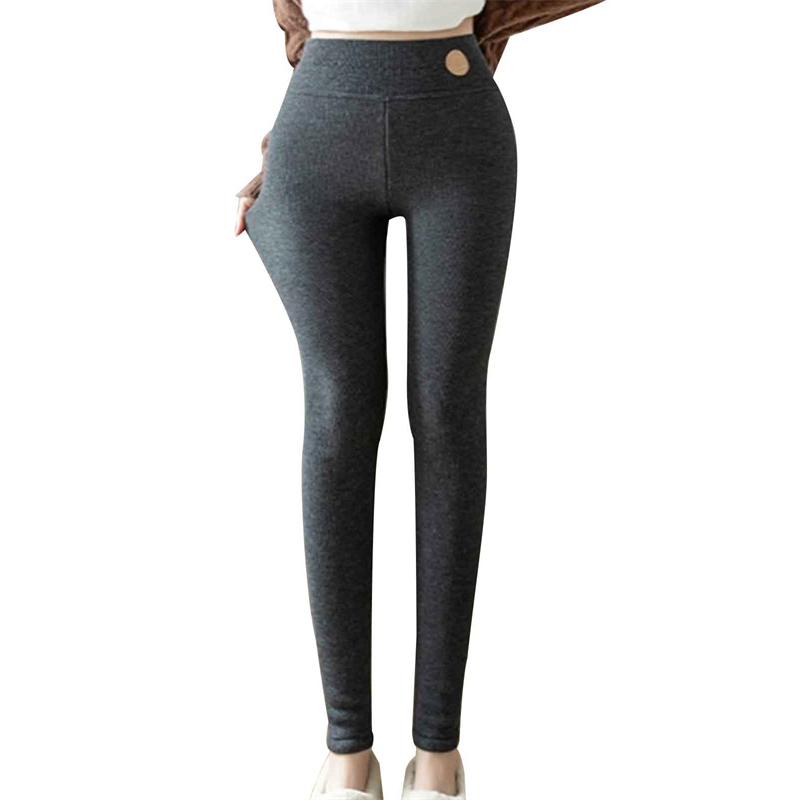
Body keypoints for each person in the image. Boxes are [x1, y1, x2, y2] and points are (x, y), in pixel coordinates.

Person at [235, 2, 605, 798]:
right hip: (317, 125)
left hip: (457, 122)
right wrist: (287, 140)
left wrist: (487, 25)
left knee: (446, 411)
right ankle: (348, 751)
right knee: (339, 410)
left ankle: (439, 754)